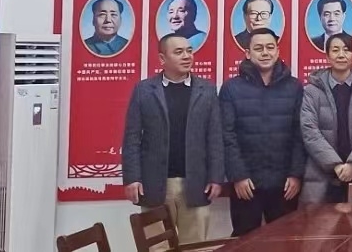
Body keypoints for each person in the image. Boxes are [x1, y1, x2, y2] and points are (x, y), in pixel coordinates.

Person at [122, 35, 223, 243]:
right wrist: (132, 177)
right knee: (157, 246)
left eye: (189, 51)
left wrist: (216, 177)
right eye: (179, 52)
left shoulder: (207, 90)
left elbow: (214, 137)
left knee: (195, 246)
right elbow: (132, 138)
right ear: (162, 59)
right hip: (155, 184)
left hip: (195, 183)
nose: (187, 56)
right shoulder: (144, 90)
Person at [220, 28, 305, 236]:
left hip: (284, 184)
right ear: (248, 53)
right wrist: (238, 176)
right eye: (258, 48)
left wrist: (295, 174)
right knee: (244, 242)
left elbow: (300, 135)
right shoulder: (231, 88)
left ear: (277, 51)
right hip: (246, 184)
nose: (265, 53)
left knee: (285, 242)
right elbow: (227, 135)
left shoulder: (294, 87)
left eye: (270, 47)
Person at [299, 33, 352, 203]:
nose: (341, 55)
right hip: (322, 173)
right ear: (327, 56)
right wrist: (335, 165)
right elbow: (309, 131)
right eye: (335, 50)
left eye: (346, 50)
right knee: (319, 220)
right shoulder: (312, 90)